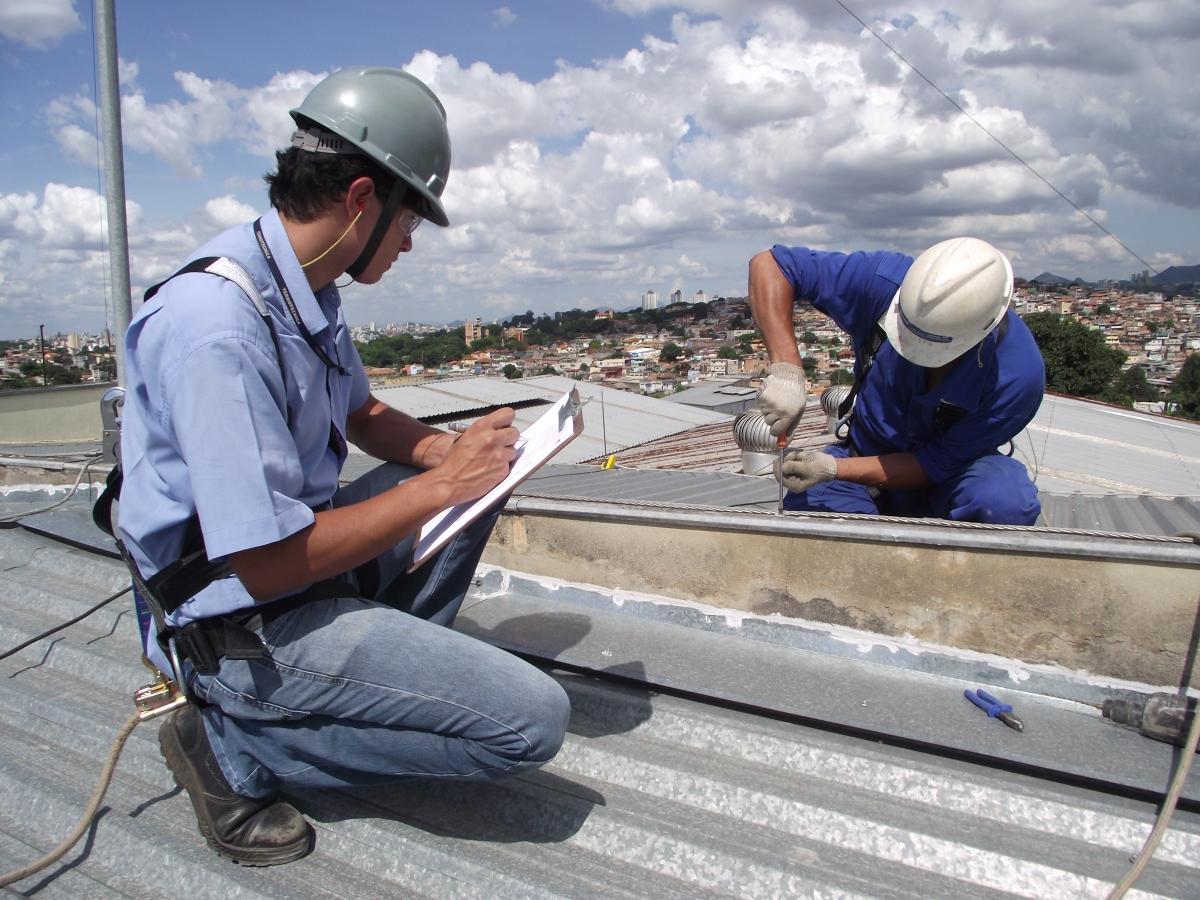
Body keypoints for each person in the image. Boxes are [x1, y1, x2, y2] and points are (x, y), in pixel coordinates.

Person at [117, 66, 570, 866]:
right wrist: (440, 485)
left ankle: (366, 694)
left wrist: (449, 455)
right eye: (408, 225)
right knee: (530, 723)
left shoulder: (303, 287)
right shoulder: (217, 326)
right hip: (236, 619)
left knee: (476, 479)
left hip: (294, 568)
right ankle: (233, 748)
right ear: (362, 198)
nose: (405, 246)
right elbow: (260, 561)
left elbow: (359, 414)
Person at [748, 237, 1045, 525]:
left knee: (1004, 503)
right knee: (816, 526)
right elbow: (772, 265)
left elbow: (936, 463)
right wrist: (787, 368)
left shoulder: (1016, 376)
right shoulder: (884, 282)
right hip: (866, 455)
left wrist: (833, 468)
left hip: (957, 475)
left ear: (981, 333)